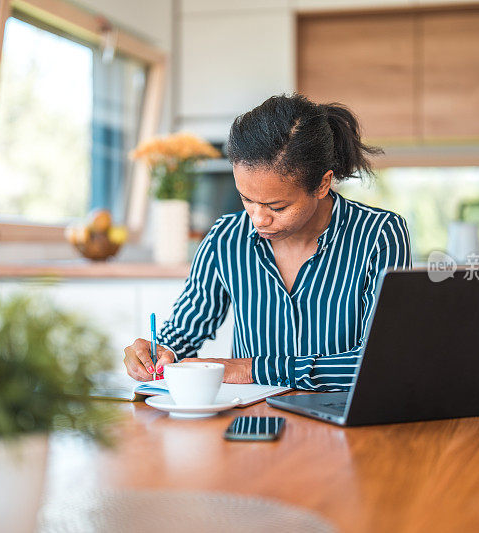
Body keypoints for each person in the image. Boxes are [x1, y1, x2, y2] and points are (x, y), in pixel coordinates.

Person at [124, 93, 411, 391]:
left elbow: (381, 363)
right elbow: (183, 333)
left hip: (342, 423)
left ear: (323, 184)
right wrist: (161, 352)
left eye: (277, 207)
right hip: (253, 422)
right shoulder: (226, 237)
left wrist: (252, 370)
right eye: (247, 199)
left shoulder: (379, 234)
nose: (258, 219)